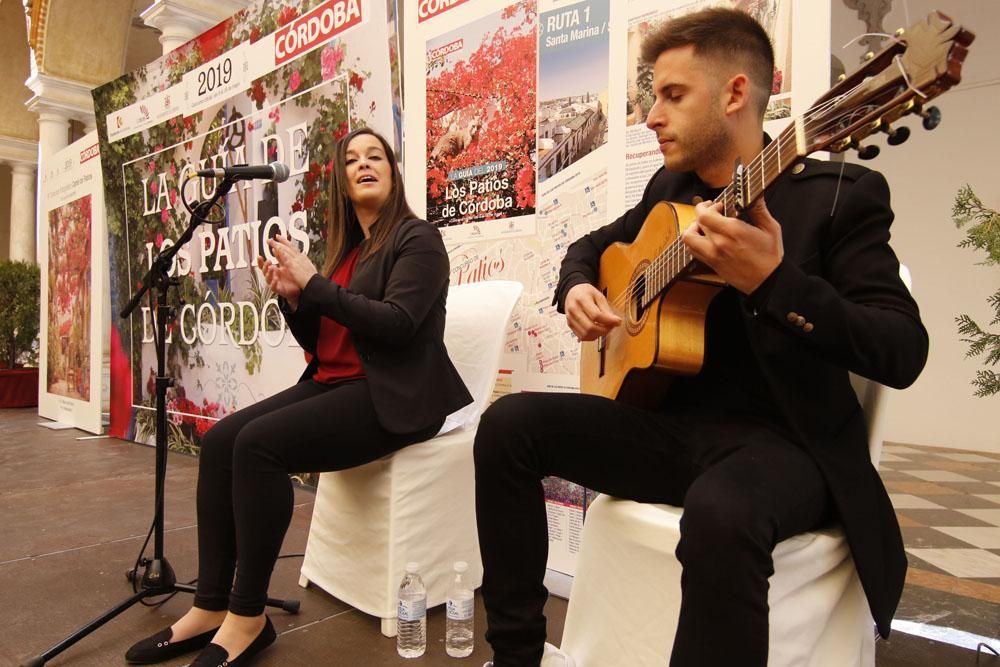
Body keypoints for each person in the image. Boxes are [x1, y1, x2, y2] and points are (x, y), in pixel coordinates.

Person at [473, 8, 927, 667]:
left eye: (672, 95)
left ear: (735, 93)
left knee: (721, 510)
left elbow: (901, 349)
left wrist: (776, 281)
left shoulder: (840, 196)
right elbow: (591, 248)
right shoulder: (670, 190)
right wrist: (575, 287)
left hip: (786, 446)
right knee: (508, 427)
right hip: (672, 432)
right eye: (653, 96)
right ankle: (518, 656)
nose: (651, 115)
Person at [125, 127, 472, 666]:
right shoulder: (348, 253)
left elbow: (399, 326)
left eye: (375, 156)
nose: (364, 164)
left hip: (391, 398)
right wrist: (295, 300)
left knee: (260, 446)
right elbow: (324, 342)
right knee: (220, 443)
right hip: (334, 384)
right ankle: (210, 606)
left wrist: (315, 285)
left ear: (393, 170)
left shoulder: (417, 239)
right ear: (342, 180)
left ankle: (247, 619)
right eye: (352, 158)